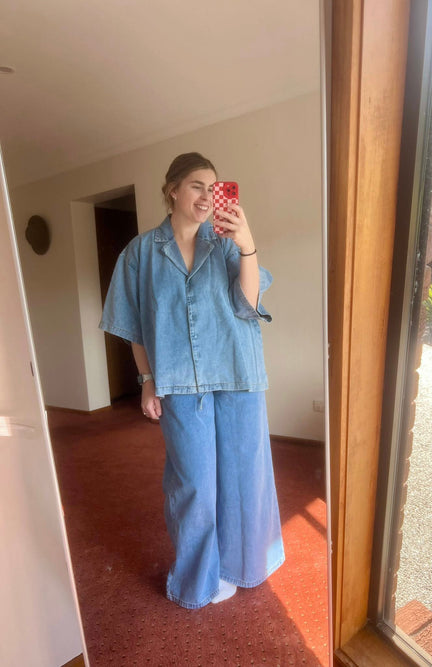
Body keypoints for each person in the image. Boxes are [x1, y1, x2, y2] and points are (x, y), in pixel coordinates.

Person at [99, 152, 285, 609]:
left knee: (243, 477)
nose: (207, 196)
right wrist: (146, 380)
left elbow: (247, 305)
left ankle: (242, 566)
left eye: (214, 188)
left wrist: (246, 243)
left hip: (237, 373)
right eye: (197, 186)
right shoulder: (140, 253)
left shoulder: (225, 243)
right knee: (194, 484)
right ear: (173, 190)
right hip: (179, 382)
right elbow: (134, 325)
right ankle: (199, 578)